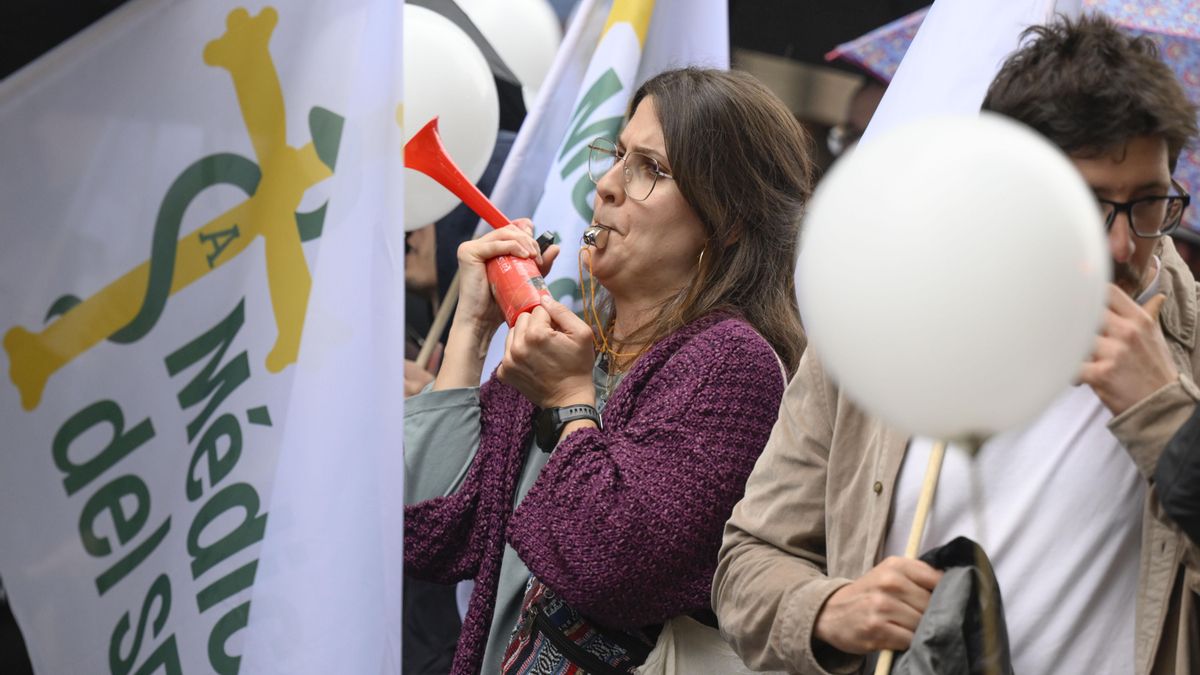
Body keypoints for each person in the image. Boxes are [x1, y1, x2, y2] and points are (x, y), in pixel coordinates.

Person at [713, 15, 1200, 675]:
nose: (1121, 245)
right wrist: (830, 610)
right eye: (1084, 203)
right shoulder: (880, 317)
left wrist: (1166, 418)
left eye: (1148, 202)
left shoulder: (1187, 346)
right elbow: (748, 560)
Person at [403, 67, 815, 675]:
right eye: (618, 155)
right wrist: (472, 326)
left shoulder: (734, 366)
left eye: (651, 169)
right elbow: (432, 531)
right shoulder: (578, 349)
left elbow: (610, 568)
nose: (608, 187)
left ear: (726, 219)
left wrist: (569, 404)